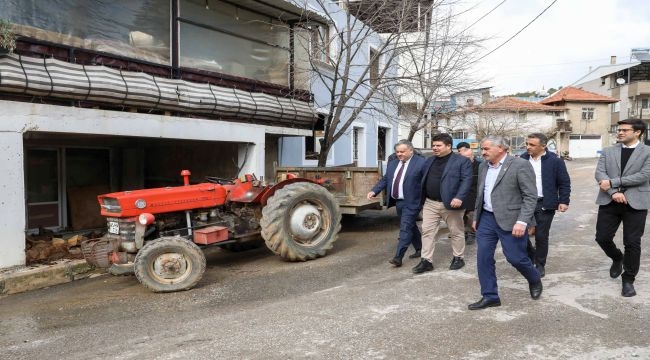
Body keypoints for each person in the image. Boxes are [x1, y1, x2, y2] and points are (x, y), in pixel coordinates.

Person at [468, 136, 542, 310]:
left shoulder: (520, 165)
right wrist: (476, 217)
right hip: (486, 218)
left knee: (515, 258)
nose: (482, 152)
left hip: (512, 219)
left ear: (500, 148)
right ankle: (490, 296)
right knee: (483, 258)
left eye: (486, 149)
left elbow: (530, 196)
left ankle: (534, 278)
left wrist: (523, 221)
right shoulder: (483, 166)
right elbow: (481, 193)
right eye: (482, 149)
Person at [594, 118, 650, 297]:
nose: (620, 132)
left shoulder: (648, 152)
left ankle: (628, 280)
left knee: (632, 243)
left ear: (637, 132)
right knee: (602, 237)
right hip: (609, 200)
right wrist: (613, 191)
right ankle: (617, 257)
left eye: (625, 130)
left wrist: (613, 182)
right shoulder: (609, 151)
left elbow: (643, 176)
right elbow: (599, 173)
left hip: (636, 202)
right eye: (619, 129)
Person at [412, 134, 472, 274]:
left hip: (452, 204)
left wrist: (459, 197)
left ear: (449, 146)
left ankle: (458, 257)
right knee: (427, 231)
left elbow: (466, 180)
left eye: (438, 145)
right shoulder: (429, 160)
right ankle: (426, 261)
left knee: (456, 231)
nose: (434, 148)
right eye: (433, 145)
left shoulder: (462, 161)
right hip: (430, 203)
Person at [368, 139, 427, 267]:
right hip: (399, 202)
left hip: (413, 202)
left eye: (402, 152)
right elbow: (386, 179)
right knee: (410, 225)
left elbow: (427, 183)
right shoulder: (394, 163)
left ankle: (398, 257)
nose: (399, 154)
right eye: (397, 152)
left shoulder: (421, 163)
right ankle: (420, 248)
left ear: (411, 151)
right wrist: (374, 191)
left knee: (405, 227)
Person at [519, 133, 571, 278]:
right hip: (524, 203)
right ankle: (531, 255)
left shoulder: (555, 161)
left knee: (541, 236)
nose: (528, 147)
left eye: (532, 145)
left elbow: (564, 182)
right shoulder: (521, 159)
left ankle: (540, 264)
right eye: (527, 144)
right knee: (521, 234)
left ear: (543, 146)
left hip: (545, 203)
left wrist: (564, 201)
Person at [456, 142, 480, 245]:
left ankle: (471, 234)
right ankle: (463, 234)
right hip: (461, 194)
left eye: (468, 156)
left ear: (472, 155)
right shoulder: (458, 165)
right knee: (461, 216)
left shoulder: (479, 165)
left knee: (471, 215)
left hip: (473, 194)